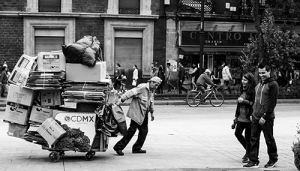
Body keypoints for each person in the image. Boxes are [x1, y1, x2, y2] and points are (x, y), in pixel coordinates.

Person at [113, 76, 162, 156]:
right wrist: (121, 100)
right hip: (137, 111)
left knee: (144, 131)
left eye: (157, 85)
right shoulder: (142, 87)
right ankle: (118, 147)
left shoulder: (152, 91)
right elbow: (130, 93)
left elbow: (151, 102)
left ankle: (137, 148)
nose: (156, 87)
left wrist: (152, 112)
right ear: (151, 82)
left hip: (144, 113)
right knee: (132, 130)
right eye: (155, 84)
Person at [244, 62, 279, 168]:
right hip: (255, 116)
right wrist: (252, 113)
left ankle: (273, 159)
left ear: (269, 72)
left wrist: (265, 116)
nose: (262, 75)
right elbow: (256, 100)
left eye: (264, 72)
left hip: (266, 118)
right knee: (253, 139)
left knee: (269, 139)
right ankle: (253, 160)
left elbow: (272, 103)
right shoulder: (259, 84)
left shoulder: (273, 85)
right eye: (260, 73)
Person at [233, 72, 256, 163]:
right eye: (242, 80)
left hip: (248, 117)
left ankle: (248, 154)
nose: (243, 82)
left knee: (248, 137)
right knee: (237, 133)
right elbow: (238, 105)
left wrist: (244, 101)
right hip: (240, 116)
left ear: (250, 81)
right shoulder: (242, 89)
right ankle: (249, 151)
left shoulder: (252, 91)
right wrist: (236, 117)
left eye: (245, 80)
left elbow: (253, 103)